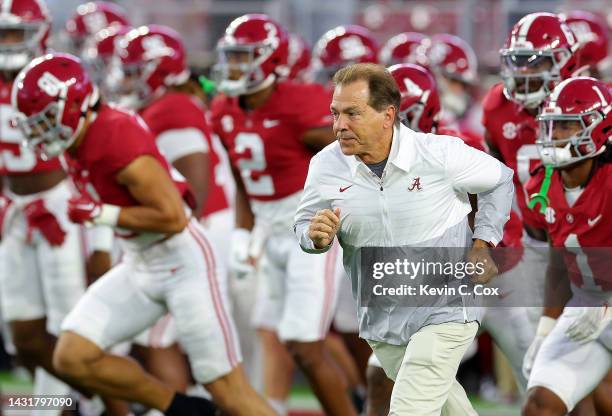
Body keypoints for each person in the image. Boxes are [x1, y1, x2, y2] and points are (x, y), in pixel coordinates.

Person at [12, 52, 275, 416]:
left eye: (45, 121)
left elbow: (173, 217)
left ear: (72, 106)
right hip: (140, 261)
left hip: (183, 261)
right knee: (73, 356)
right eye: (34, 125)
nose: (41, 133)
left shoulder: (114, 133)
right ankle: (182, 408)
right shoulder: (78, 137)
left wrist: (102, 214)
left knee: (227, 389)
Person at [294, 63, 514, 415]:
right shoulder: (325, 165)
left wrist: (483, 242)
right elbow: (305, 224)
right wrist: (312, 236)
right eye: (335, 114)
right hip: (381, 313)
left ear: (388, 115)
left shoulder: (439, 153)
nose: (339, 126)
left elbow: (500, 179)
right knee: (449, 409)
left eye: (353, 113)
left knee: (409, 410)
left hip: (447, 305)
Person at [212, 14, 355, 416]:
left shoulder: (301, 103)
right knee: (271, 334)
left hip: (312, 229)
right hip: (268, 229)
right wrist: (244, 233)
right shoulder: (224, 107)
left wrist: (339, 209)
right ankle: (270, 408)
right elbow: (242, 179)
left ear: (270, 60)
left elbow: (358, 156)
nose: (234, 67)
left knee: (305, 343)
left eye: (244, 58)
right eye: (232, 57)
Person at [0, 0, 88, 407]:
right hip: (14, 210)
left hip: (62, 206)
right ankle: (77, 404)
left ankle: (87, 405)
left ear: (39, 34)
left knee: (71, 325)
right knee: (23, 335)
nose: (6, 42)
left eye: (14, 32)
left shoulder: (59, 77)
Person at [521, 76, 612, 416]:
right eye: (552, 125)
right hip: (587, 304)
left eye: (566, 126)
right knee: (540, 405)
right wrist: (546, 328)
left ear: (600, 129)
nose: (554, 136)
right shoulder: (540, 186)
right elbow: (557, 262)